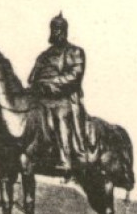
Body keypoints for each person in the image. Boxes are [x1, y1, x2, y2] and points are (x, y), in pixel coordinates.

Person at [23, 13, 90, 174]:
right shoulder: (43, 56)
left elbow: (75, 75)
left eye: (58, 29)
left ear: (65, 31)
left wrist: (52, 83)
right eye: (53, 29)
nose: (55, 32)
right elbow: (32, 78)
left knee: (60, 115)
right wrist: (36, 86)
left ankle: (64, 159)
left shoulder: (75, 52)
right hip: (41, 97)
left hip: (63, 98)